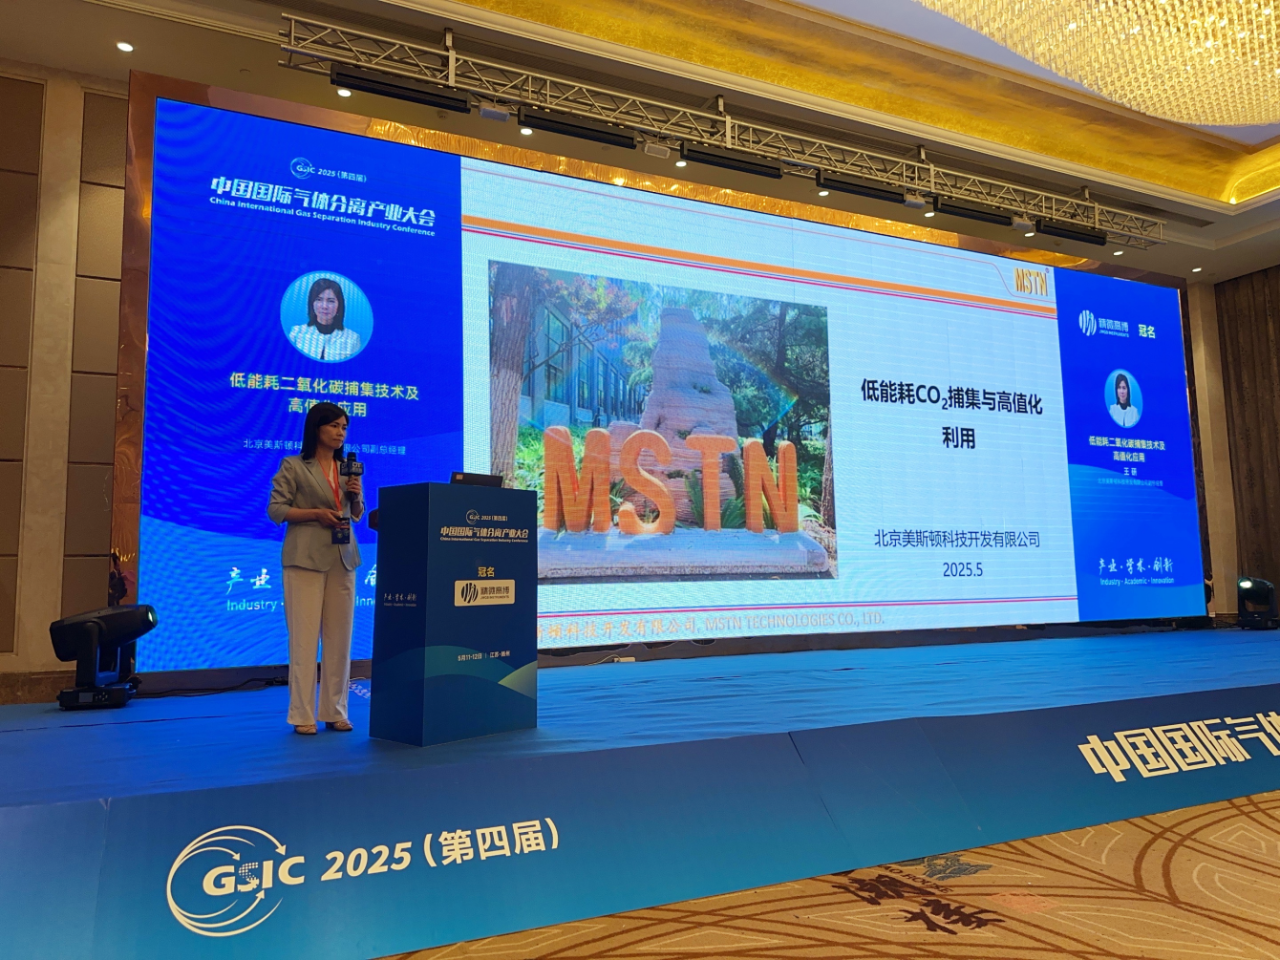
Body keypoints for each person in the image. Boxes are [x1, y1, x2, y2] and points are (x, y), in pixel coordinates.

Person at [268, 402, 364, 734]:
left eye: (344, 427)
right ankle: (302, 714)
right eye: (334, 426)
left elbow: (356, 513)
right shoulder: (294, 465)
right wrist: (315, 514)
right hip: (305, 558)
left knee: (340, 640)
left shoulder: (348, 469)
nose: (340, 433)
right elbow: (276, 510)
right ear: (316, 428)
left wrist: (356, 494)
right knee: (304, 639)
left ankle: (336, 710)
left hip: (343, 557)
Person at [288, 277, 362, 362]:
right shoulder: (297, 333)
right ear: (312, 303)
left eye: (330, 301)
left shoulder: (353, 338)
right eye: (319, 300)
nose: (324, 306)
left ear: (339, 305)